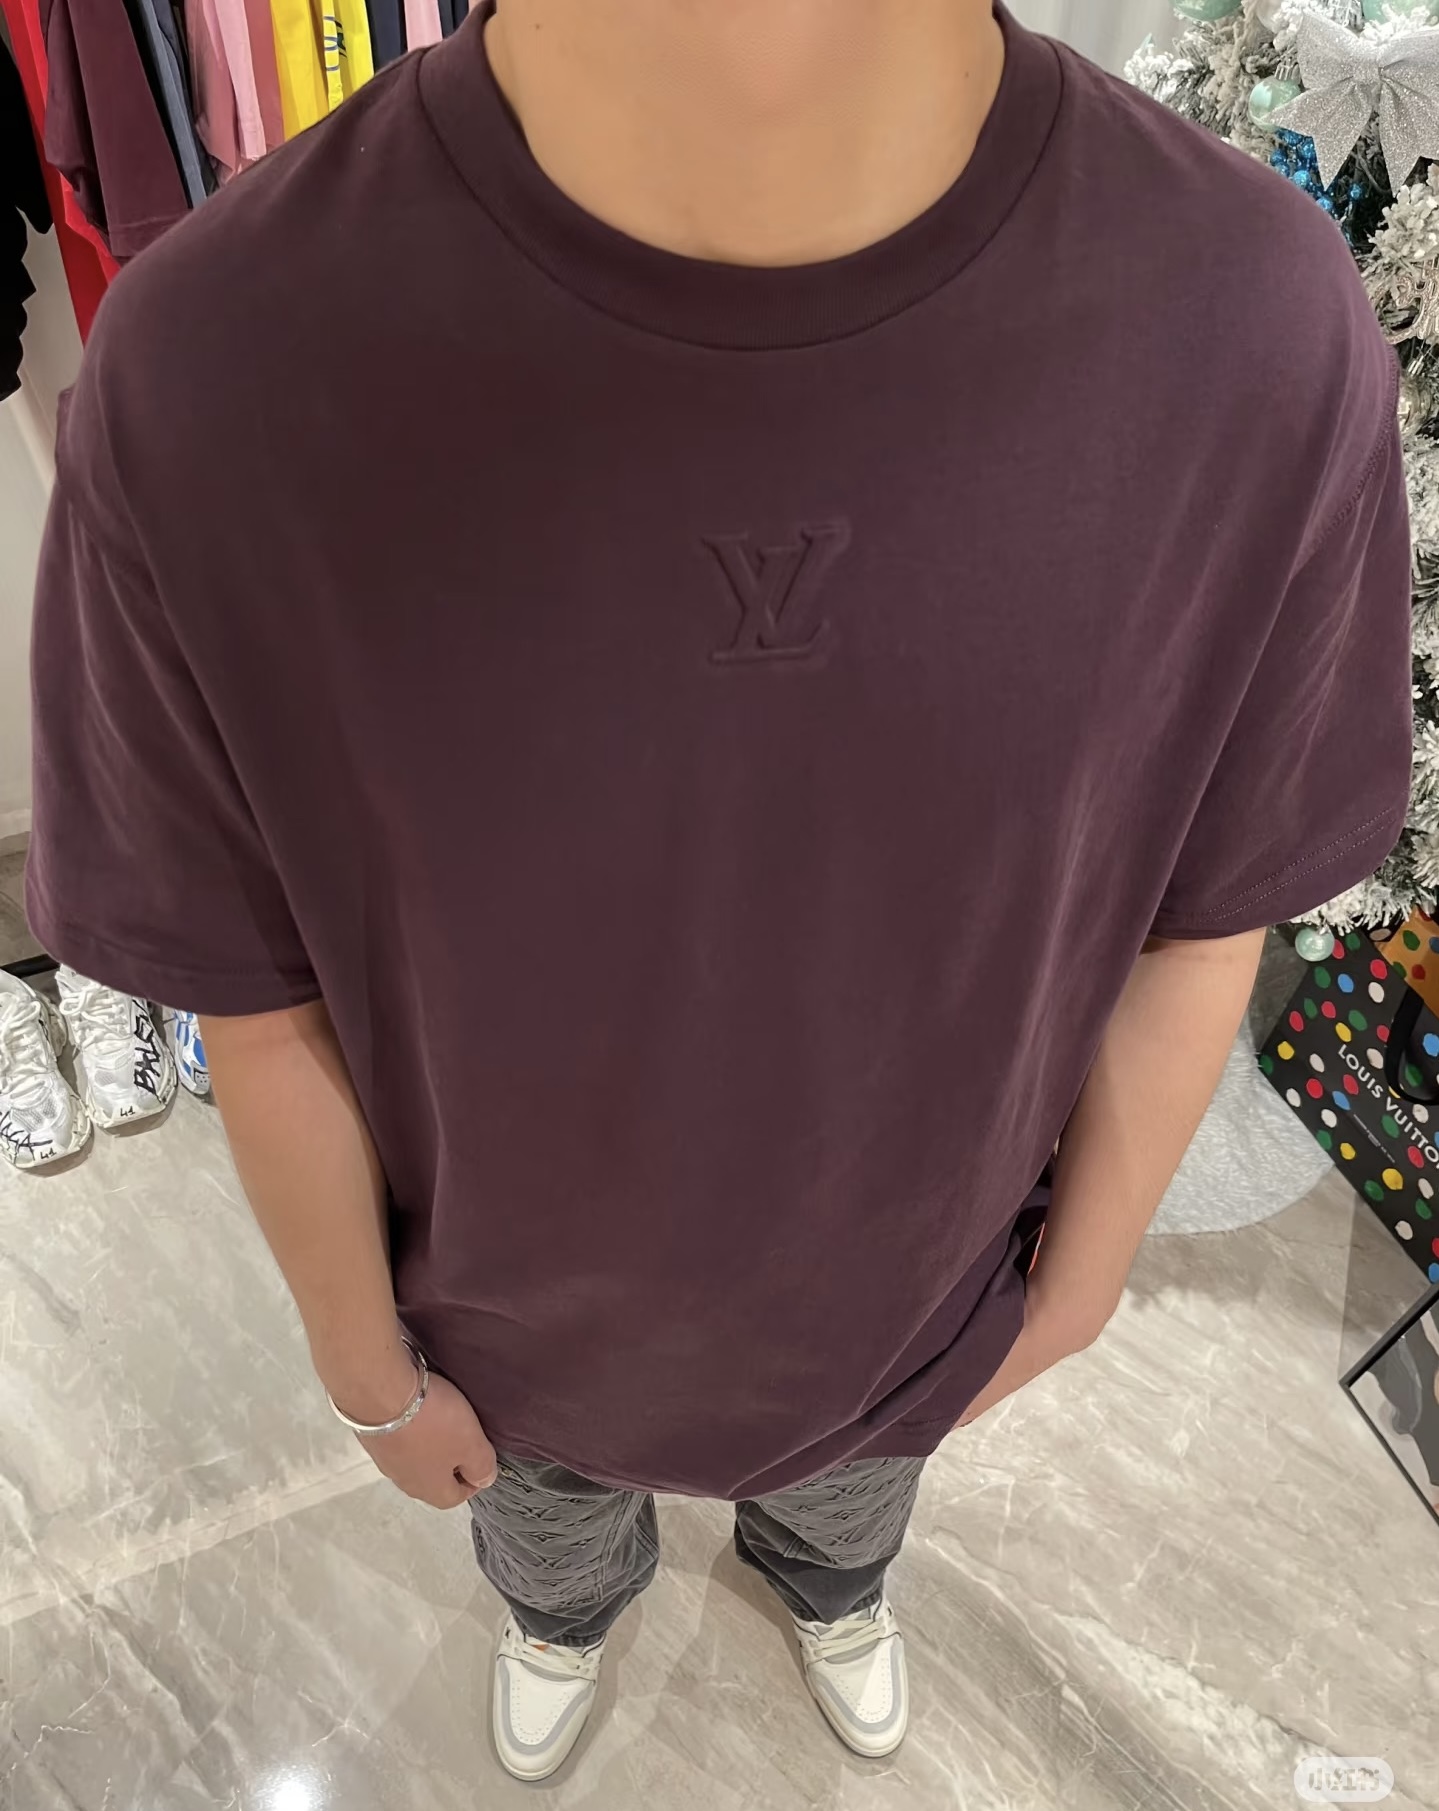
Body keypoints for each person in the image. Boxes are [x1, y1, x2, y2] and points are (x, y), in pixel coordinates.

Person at [26, 0, 1412, 1784]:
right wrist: (368, 1374)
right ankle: (563, 1613)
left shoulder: (1248, 325)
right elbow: (254, 985)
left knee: (849, 1517)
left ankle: (829, 1587)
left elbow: (1209, 900)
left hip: (918, 1300)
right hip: (507, 1332)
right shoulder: (217, 366)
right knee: (547, 1544)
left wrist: (1078, 1284)